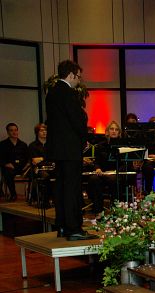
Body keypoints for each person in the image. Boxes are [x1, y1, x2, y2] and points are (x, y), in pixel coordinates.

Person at [45, 59, 97, 240]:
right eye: (78, 77)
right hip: (70, 148)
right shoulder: (68, 93)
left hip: (58, 149)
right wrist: (84, 139)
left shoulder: (52, 92)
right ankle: (74, 228)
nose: (79, 80)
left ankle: (62, 226)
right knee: (72, 188)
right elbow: (77, 120)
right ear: (70, 75)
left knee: (60, 187)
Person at [87, 121, 122, 214]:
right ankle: (98, 209)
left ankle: (115, 209)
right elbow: (96, 161)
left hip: (116, 172)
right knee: (94, 179)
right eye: (111, 129)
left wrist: (116, 171)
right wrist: (97, 168)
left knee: (113, 179)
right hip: (103, 172)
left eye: (116, 129)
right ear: (107, 132)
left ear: (119, 133)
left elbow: (125, 163)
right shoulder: (100, 145)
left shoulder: (123, 145)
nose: (114, 131)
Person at [0, 123, 29, 201]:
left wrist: (27, 164)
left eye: (16, 130)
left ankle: (32, 195)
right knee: (7, 173)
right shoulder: (2, 144)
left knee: (34, 172)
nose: (14, 132)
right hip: (10, 168)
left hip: (23, 168)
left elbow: (28, 157)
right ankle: (13, 194)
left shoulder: (23, 145)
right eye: (11, 130)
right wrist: (6, 164)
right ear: (8, 132)